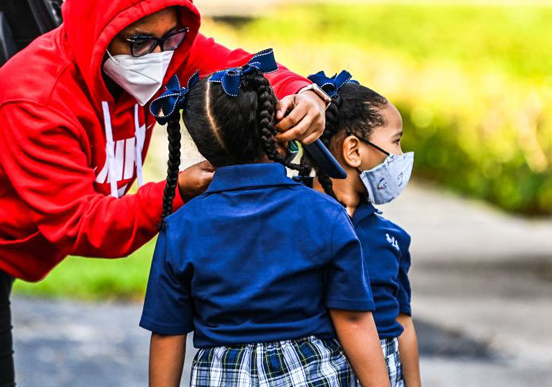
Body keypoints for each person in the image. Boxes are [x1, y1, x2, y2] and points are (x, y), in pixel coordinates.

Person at [0, 0, 330, 385]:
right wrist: (178, 190)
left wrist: (301, 92)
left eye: (172, 36)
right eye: (138, 43)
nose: (159, 57)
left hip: (1, 234)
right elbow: (81, 224)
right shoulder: (35, 101)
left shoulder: (167, 52)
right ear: (98, 33)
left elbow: (240, 67)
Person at [140, 51, 391, 387]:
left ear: (204, 146)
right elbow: (353, 318)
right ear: (274, 129)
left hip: (222, 375)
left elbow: (168, 334)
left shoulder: (181, 226)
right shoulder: (324, 213)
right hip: (311, 374)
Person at [302, 72, 421, 387]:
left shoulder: (392, 238)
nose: (400, 155)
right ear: (354, 150)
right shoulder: (293, 221)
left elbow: (402, 321)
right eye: (395, 141)